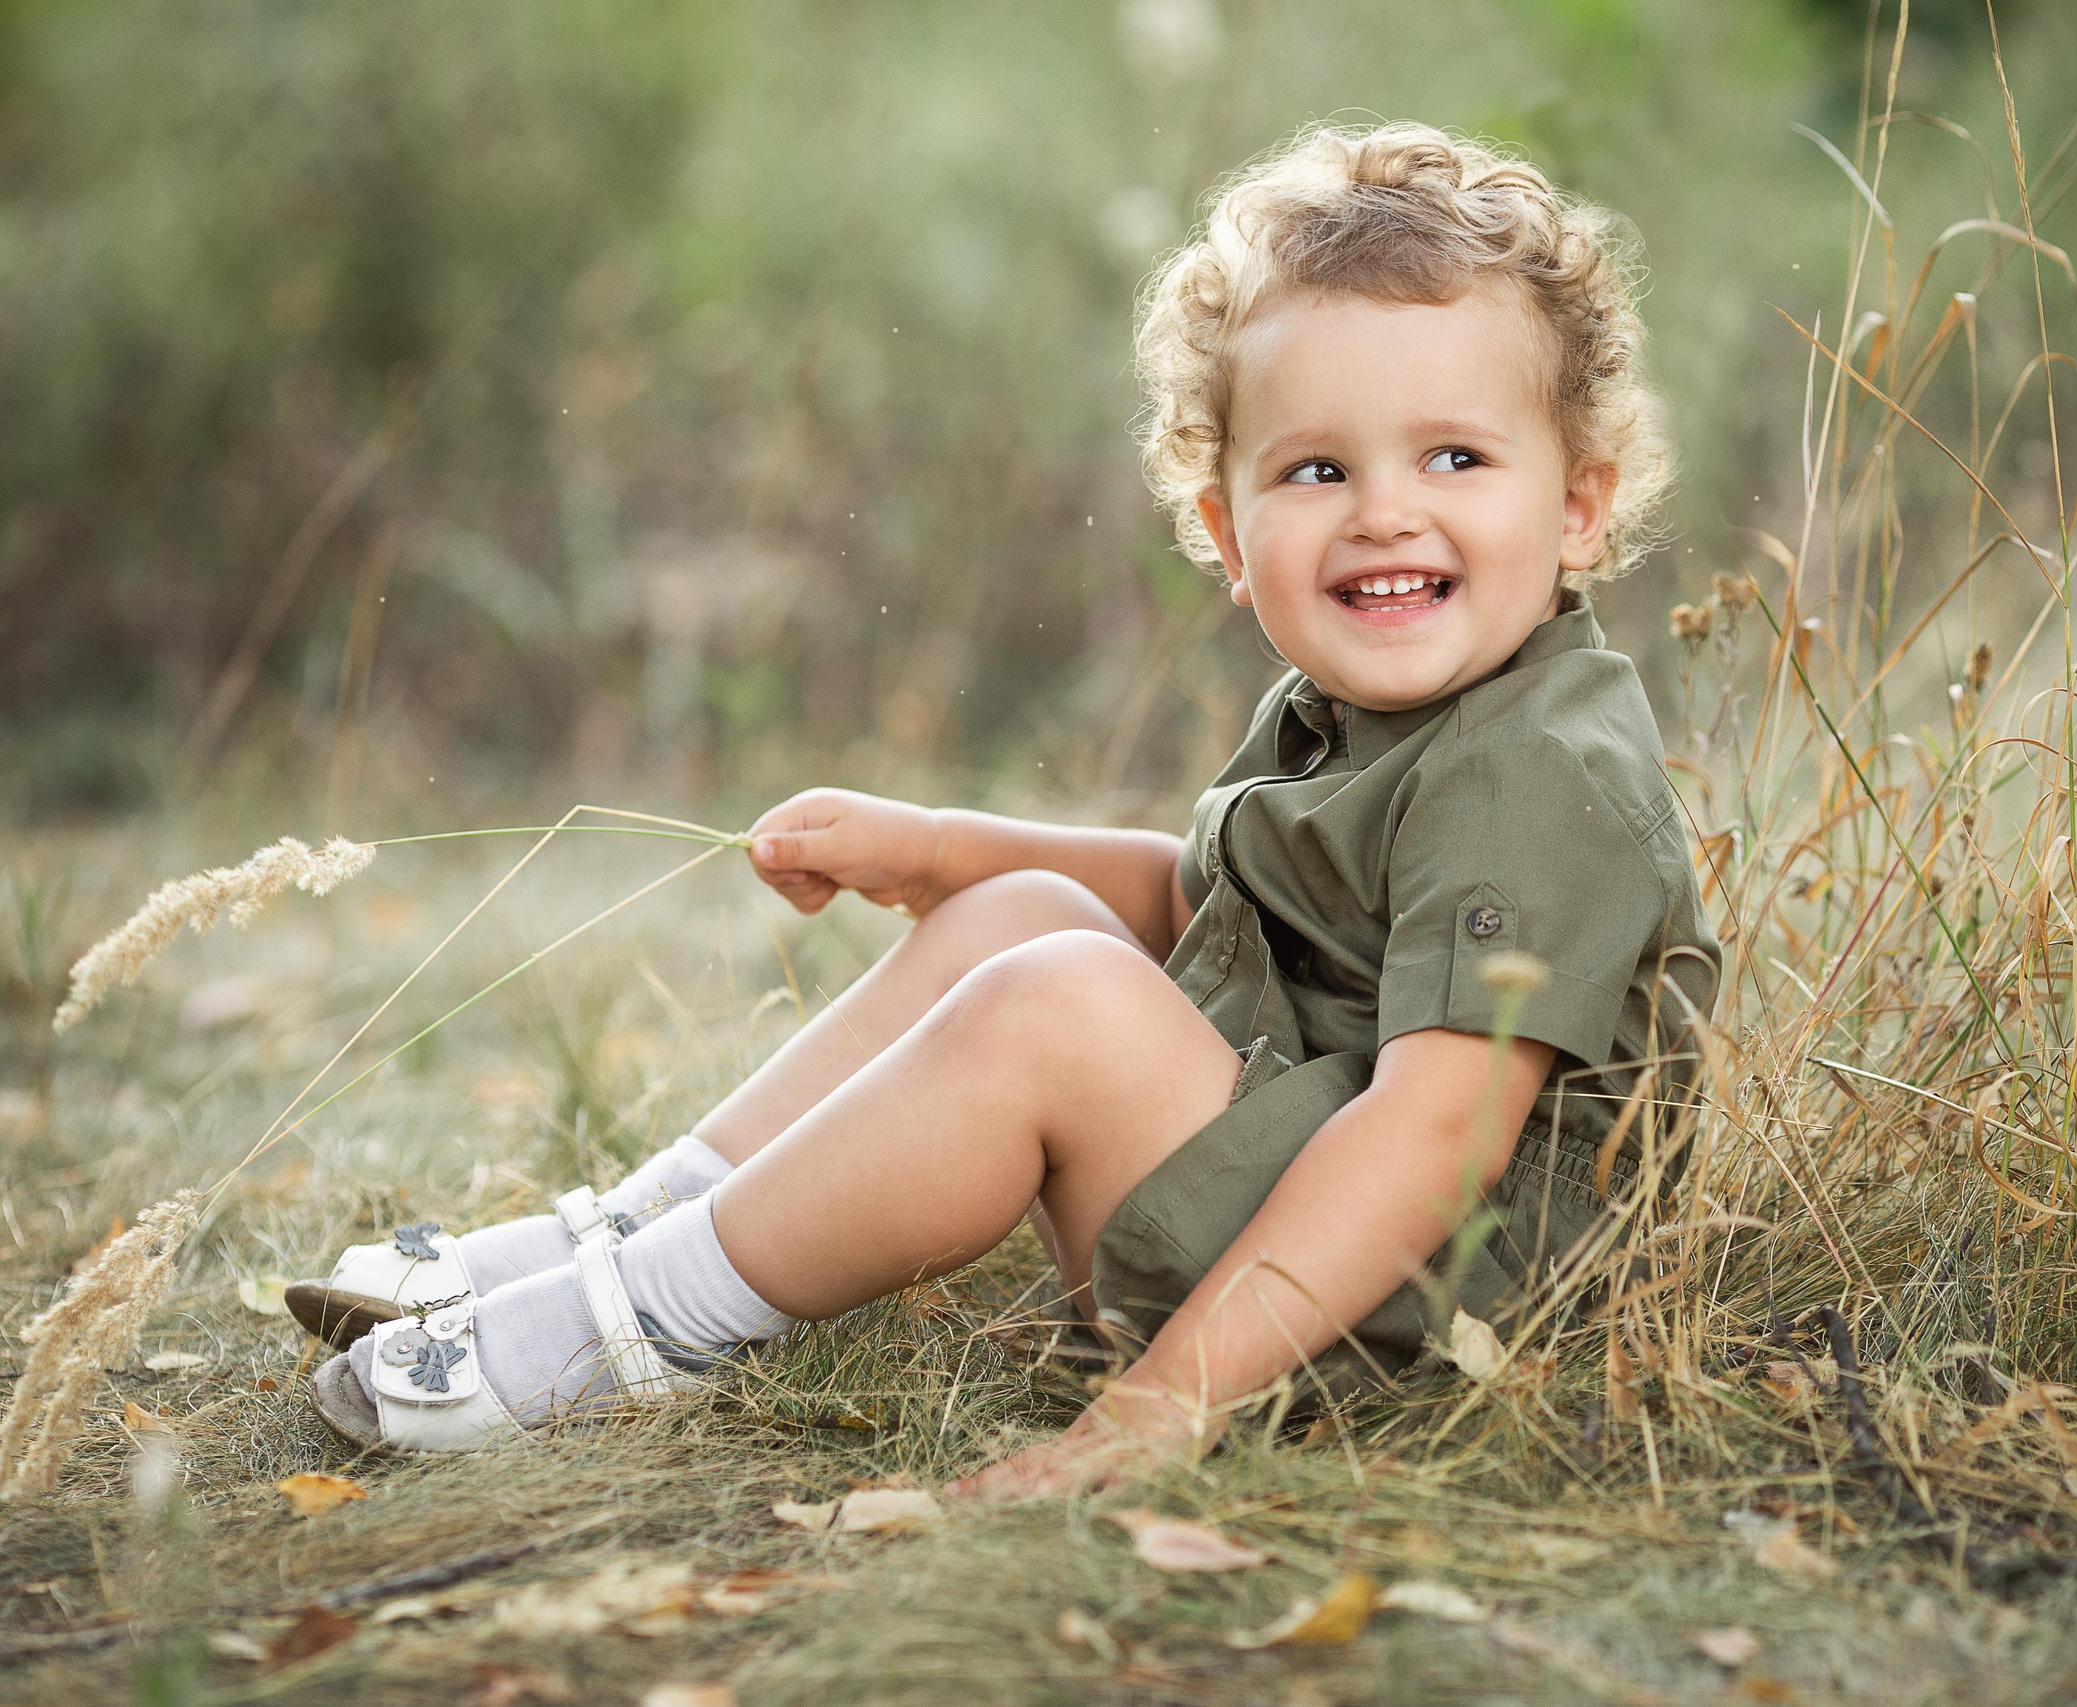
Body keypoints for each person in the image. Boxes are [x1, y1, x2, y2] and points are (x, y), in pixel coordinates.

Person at [295, 121, 1721, 1498]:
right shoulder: (1367, 706)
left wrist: (1154, 1416)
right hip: (1315, 1230)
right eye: (1317, 469)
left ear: (1581, 509)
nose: (1385, 513)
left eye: (1456, 458)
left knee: (1064, 1000)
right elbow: (1209, 906)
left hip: (1422, 1321)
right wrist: (942, 849)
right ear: (1228, 533)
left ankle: (634, 1321)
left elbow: (1436, 1138)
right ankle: (624, 1231)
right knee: (1033, 915)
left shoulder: (1534, 769)